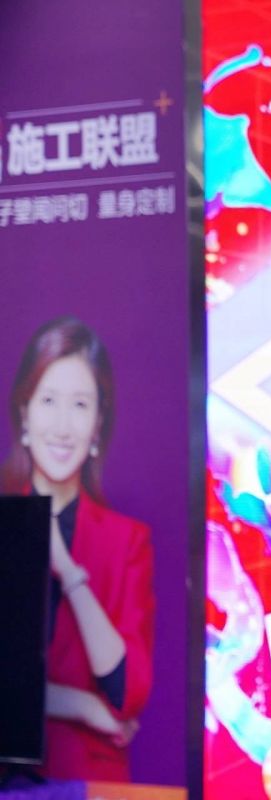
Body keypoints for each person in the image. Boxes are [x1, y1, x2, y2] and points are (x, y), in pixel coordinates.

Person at [0, 317, 154, 782]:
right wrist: (82, 705)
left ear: (98, 424)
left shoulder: (127, 541)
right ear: (25, 413)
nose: (63, 427)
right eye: (48, 401)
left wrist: (68, 572)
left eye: (80, 405)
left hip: (87, 779)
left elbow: (126, 694)